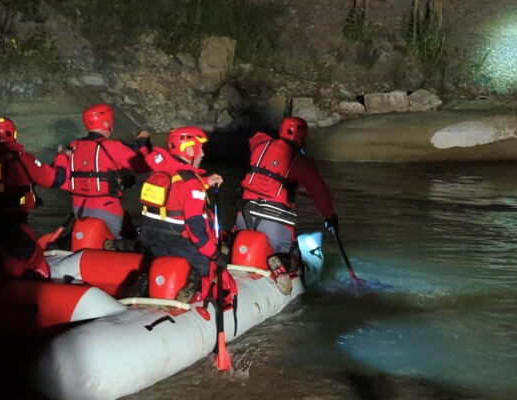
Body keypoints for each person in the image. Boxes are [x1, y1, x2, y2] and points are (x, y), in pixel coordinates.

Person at [235, 117, 338, 293]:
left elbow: (255, 137)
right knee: (293, 255)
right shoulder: (301, 162)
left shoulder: (261, 145)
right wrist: (330, 217)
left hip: (244, 213)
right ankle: (281, 262)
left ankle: (230, 247)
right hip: (274, 219)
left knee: (240, 245)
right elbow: (319, 193)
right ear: (303, 138)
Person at [0, 116, 66, 280]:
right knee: (36, 265)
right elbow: (55, 179)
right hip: (15, 230)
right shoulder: (22, 159)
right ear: (13, 134)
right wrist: (62, 158)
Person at [138, 126, 225, 301]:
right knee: (210, 266)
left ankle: (151, 284)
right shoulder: (191, 183)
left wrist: (206, 182)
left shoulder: (158, 171)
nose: (202, 154)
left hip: (151, 241)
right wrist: (214, 254)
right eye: (199, 149)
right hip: (180, 243)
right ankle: (196, 284)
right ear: (189, 149)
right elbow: (195, 228)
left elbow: (176, 191)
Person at [51, 104, 151, 239]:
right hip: (107, 209)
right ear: (106, 123)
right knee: (121, 242)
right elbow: (143, 166)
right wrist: (142, 144)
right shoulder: (112, 147)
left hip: (78, 209)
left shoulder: (74, 146)